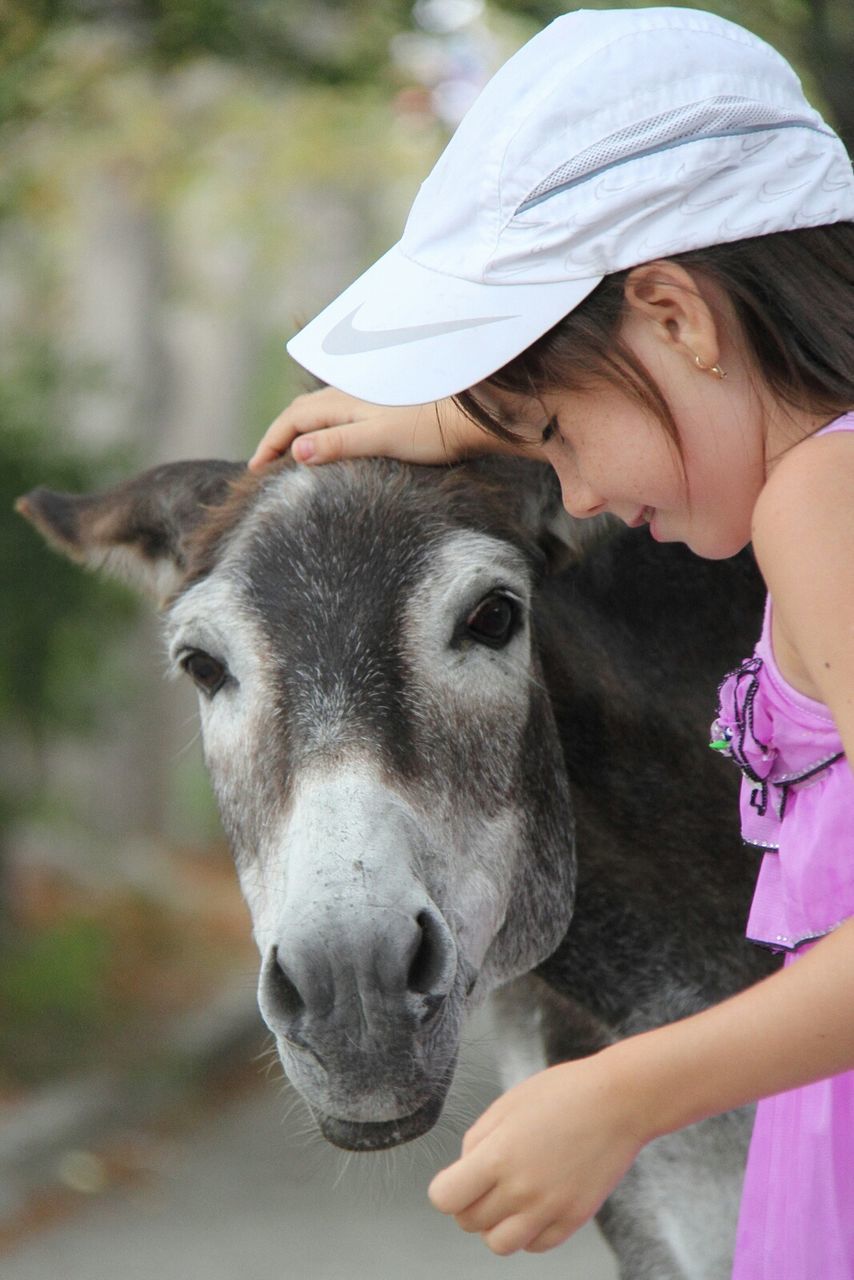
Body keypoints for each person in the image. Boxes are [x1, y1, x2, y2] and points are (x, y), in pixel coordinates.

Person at [250, 8, 854, 1276]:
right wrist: (468, 413)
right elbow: (636, 400)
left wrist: (625, 1093)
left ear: (677, 315)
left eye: (555, 431)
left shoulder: (819, 501)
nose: (571, 496)